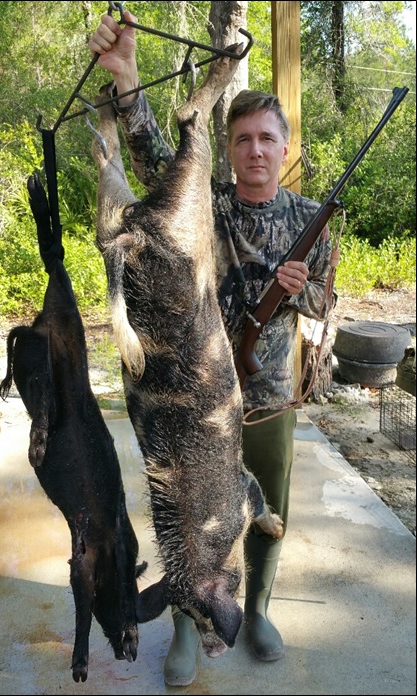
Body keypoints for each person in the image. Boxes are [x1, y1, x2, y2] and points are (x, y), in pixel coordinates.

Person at [88, 10, 337, 687]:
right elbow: (149, 159)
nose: (254, 150)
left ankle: (253, 610)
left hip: (262, 393)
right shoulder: (213, 206)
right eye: (242, 140)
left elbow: (326, 307)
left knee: (262, 511)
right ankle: (183, 629)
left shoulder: (311, 220)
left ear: (285, 146)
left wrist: (302, 286)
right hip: (185, 389)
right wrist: (127, 79)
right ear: (229, 150)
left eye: (266, 138)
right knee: (182, 511)